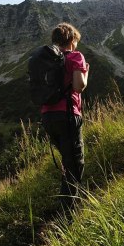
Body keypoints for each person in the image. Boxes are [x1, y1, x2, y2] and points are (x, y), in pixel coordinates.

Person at [41, 22, 89, 209]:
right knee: (75, 163)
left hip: (47, 116)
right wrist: (85, 72)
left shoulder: (46, 61)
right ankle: (69, 214)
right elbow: (79, 86)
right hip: (67, 115)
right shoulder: (75, 56)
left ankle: (65, 203)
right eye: (75, 41)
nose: (76, 45)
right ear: (71, 40)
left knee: (66, 160)